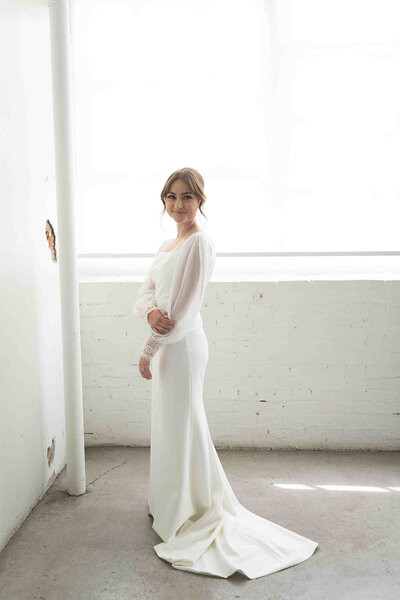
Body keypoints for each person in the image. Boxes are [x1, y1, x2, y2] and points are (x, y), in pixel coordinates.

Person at [132, 167, 318, 579]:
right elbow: (146, 292)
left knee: (185, 424)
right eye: (171, 197)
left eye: (187, 197)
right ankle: (169, 503)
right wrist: (149, 311)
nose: (178, 205)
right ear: (163, 200)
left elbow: (183, 308)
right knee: (169, 424)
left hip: (181, 349)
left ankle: (193, 507)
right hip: (167, 345)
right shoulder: (167, 243)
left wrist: (148, 348)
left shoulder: (199, 244)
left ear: (200, 201)